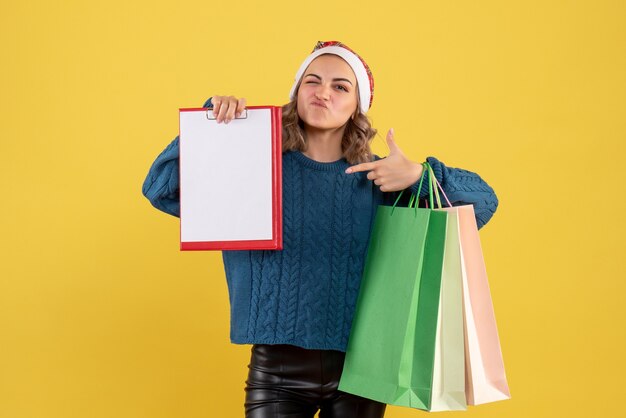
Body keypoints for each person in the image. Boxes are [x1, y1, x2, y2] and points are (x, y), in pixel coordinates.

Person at [142, 40, 498, 418]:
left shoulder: (382, 180)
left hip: (365, 371)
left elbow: (483, 204)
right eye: (313, 81)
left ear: (357, 107)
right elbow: (160, 187)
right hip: (278, 372)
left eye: (341, 86)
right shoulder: (252, 168)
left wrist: (420, 174)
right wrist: (213, 132)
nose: (324, 92)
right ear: (297, 93)